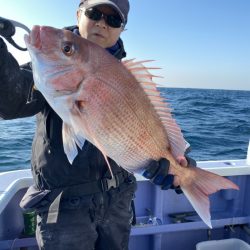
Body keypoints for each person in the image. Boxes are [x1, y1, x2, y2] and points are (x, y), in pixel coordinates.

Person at [0, 0, 196, 249]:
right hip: (64, 211)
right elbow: (11, 100)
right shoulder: (47, 67)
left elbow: (159, 123)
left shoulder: (130, 79)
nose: (102, 24)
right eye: (94, 13)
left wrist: (182, 163)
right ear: (79, 14)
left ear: (121, 29)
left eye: (113, 19)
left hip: (118, 204)